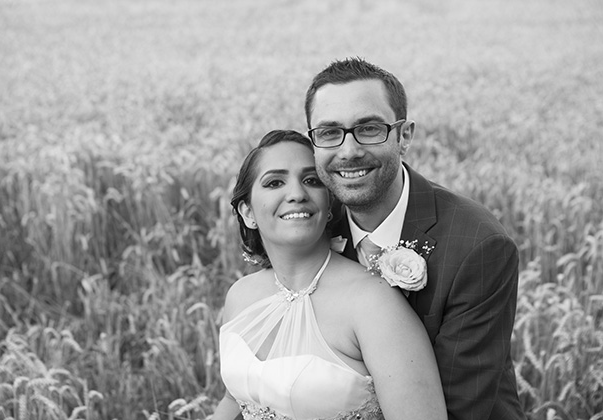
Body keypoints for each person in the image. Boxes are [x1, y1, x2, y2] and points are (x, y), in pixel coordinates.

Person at [304, 57, 525, 420]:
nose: (348, 151)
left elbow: (460, 408)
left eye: (369, 129)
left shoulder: (478, 246)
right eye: (329, 132)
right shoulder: (314, 228)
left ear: (404, 135)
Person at [213, 130, 446, 420]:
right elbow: (233, 400)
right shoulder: (240, 295)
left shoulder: (373, 303)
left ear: (328, 207)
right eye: (274, 182)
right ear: (247, 211)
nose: (297, 194)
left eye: (311, 181)